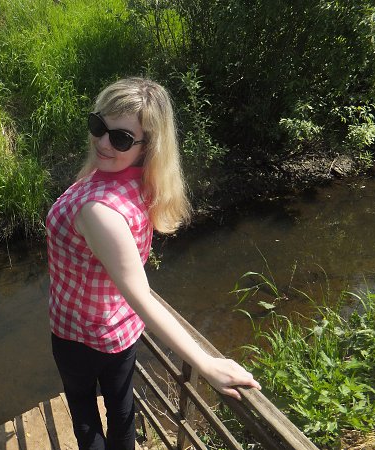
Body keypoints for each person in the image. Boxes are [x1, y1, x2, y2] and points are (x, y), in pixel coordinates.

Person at [46, 77, 260, 450]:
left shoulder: (99, 211)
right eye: (99, 126)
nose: (103, 142)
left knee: (83, 413)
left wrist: (206, 364)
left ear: (148, 146)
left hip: (77, 334)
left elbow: (142, 296)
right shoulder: (137, 181)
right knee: (122, 409)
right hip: (122, 330)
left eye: (121, 138)